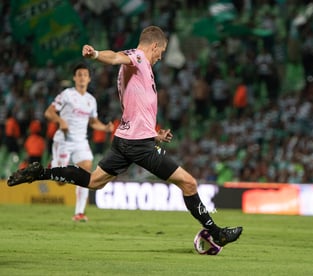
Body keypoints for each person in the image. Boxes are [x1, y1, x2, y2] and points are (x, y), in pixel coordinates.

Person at [8, 26, 242, 246]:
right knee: (189, 183)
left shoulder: (141, 70)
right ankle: (216, 233)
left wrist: (155, 134)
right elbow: (116, 56)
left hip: (126, 140)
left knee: (93, 182)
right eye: (161, 51)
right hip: (138, 145)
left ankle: (42, 173)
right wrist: (96, 54)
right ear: (153, 46)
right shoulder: (138, 58)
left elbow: (136, 108)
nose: (161, 56)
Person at [44, 63, 114, 222]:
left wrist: (105, 128)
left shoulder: (91, 100)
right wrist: (60, 120)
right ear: (74, 78)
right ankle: (53, 165)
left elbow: (93, 122)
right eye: (79, 74)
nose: (82, 77)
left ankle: (79, 213)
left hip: (81, 141)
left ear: (89, 79)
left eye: (85, 75)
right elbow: (48, 112)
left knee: (86, 173)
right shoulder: (67, 95)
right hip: (64, 140)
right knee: (60, 182)